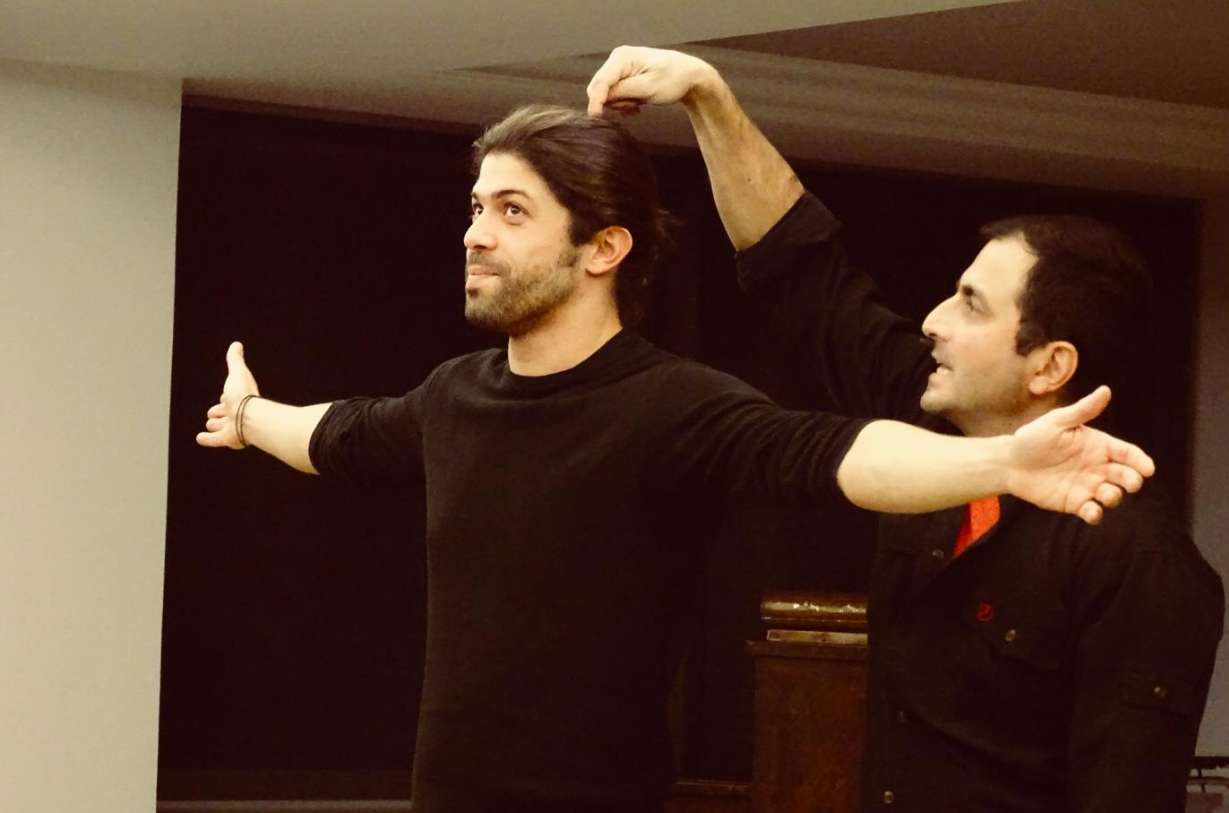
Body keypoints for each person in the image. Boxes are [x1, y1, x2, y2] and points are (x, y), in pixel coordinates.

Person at [197, 104, 1155, 813]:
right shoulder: (453, 396)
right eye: (477, 206)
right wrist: (250, 415)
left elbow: (830, 453)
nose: (476, 232)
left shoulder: (672, 406)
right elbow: (340, 434)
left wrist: (1003, 465)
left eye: (513, 211)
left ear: (603, 247)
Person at [587, 47, 1225, 812]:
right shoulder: (929, 430)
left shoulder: (1141, 562)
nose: (932, 321)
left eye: (971, 304)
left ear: (1050, 365)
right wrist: (708, 97)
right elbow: (802, 272)